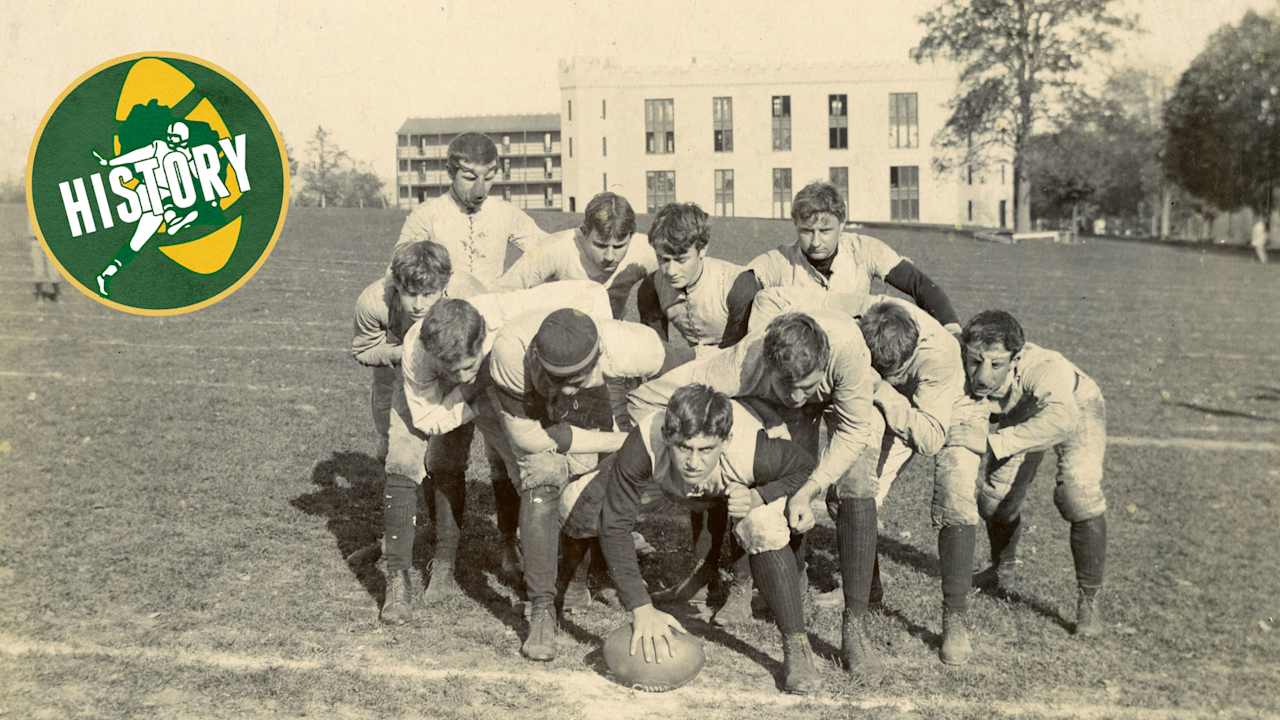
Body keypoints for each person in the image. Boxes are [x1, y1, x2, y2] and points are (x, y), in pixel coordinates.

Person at [629, 311, 886, 677]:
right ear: (767, 367)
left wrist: (811, 490)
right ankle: (781, 601)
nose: (797, 396)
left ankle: (855, 627)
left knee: (857, 479)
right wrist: (675, 469)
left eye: (806, 386)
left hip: (845, 400)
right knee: (767, 482)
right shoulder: (740, 365)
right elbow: (648, 398)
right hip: (768, 408)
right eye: (787, 386)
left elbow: (855, 430)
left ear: (824, 363)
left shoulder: (847, 353)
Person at [379, 282, 614, 625]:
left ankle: (546, 564)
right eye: (453, 369)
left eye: (467, 364)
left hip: (498, 381)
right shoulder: (418, 353)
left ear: (483, 338)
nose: (461, 374)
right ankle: (402, 576)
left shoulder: (505, 313)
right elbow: (431, 419)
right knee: (406, 458)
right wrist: (471, 387)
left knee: (533, 469)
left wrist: (585, 350)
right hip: (449, 398)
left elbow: (591, 293)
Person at [562, 384, 822, 694]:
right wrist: (641, 608)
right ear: (668, 437)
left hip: (735, 479)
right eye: (684, 447)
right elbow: (616, 524)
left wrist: (758, 496)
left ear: (725, 441)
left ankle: (797, 645)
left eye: (705, 449)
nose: (694, 461)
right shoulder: (645, 442)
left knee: (763, 525)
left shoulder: (753, 451)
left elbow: (805, 466)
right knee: (575, 500)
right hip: (668, 483)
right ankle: (573, 583)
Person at [489, 308, 667, 660]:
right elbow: (536, 439)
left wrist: (638, 431)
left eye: (577, 376)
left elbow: (683, 370)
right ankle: (541, 606)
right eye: (558, 377)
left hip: (599, 389)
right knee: (542, 476)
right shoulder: (509, 355)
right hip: (526, 410)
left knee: (605, 471)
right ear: (537, 359)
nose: (568, 386)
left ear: (600, 355)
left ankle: (580, 579)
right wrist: (623, 442)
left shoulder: (635, 348)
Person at [950, 310, 1109, 638]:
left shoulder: (1044, 369)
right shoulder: (957, 355)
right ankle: (1000, 570)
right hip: (1022, 411)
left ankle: (1089, 600)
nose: (982, 375)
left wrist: (994, 441)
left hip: (1075, 407)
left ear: (1017, 357)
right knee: (994, 504)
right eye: (974, 361)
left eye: (996, 365)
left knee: (1078, 496)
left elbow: (1062, 419)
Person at [851, 297, 986, 664]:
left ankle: (954, 619)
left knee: (956, 492)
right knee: (855, 490)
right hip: (901, 402)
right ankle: (866, 588)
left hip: (949, 406)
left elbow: (929, 438)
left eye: (897, 366)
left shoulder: (937, 355)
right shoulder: (859, 316)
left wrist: (883, 390)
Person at [633, 201, 749, 615]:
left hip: (742, 375)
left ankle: (742, 584)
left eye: (680, 258)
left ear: (703, 248)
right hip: (693, 378)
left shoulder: (738, 284)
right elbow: (654, 354)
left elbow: (744, 354)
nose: (670, 269)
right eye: (663, 258)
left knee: (736, 477)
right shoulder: (651, 286)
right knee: (695, 471)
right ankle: (704, 574)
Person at [722, 181, 961, 346]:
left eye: (825, 230)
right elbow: (743, 285)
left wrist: (951, 328)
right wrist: (734, 344)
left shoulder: (864, 249)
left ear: (842, 223)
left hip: (855, 356)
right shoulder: (781, 258)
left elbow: (918, 283)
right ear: (795, 224)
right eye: (806, 231)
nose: (816, 241)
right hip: (803, 359)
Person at [351, 240, 483, 460]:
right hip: (397, 365)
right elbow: (363, 349)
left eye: (429, 294)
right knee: (394, 443)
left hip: (452, 369)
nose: (419, 305)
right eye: (410, 294)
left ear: (445, 285)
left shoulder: (469, 295)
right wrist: (403, 353)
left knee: (449, 449)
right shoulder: (375, 301)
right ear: (396, 284)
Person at [394, 132, 544, 281]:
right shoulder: (426, 214)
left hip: (492, 301)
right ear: (450, 172)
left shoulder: (506, 213)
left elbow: (548, 249)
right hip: (445, 303)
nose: (480, 191)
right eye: (470, 178)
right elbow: (399, 268)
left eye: (488, 177)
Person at [497, 192, 656, 319]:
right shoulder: (556, 249)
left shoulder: (643, 249)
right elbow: (502, 294)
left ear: (631, 236)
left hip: (611, 335)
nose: (609, 256)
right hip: (559, 338)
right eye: (600, 245)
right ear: (584, 232)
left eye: (619, 246)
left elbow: (677, 268)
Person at [28, 216, 61, 303]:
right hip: (36, 241)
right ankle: (39, 296)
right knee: (38, 271)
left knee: (54, 270)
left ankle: (57, 294)